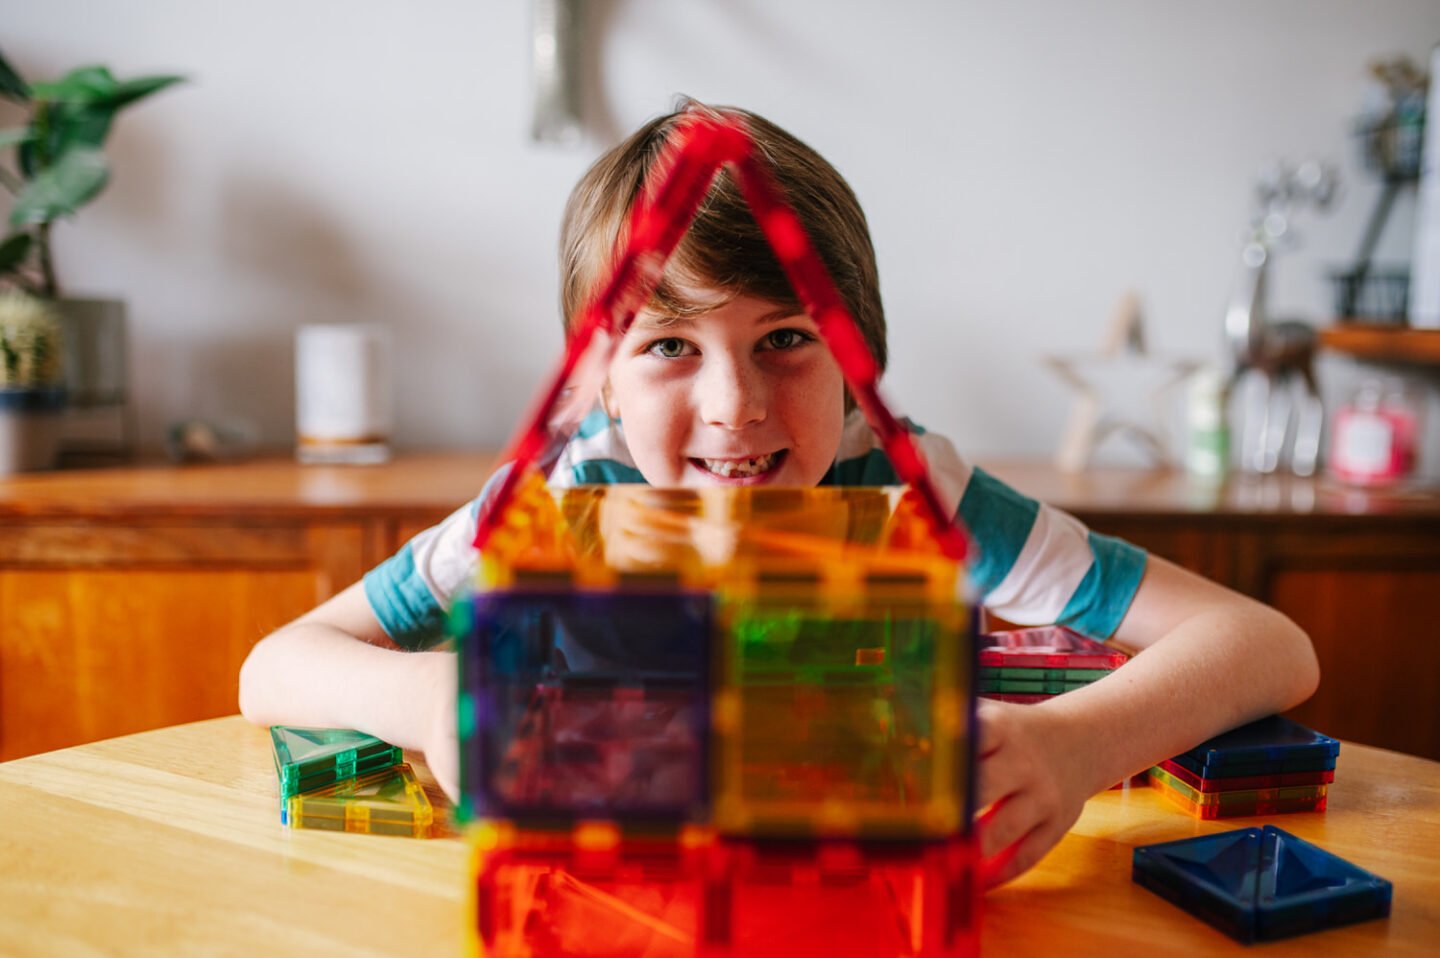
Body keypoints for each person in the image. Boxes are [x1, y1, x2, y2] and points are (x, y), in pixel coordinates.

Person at [240, 100, 1319, 887]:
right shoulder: (556, 490)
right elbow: (274, 664)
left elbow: (1268, 644)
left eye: (786, 338)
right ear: (594, 379)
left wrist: (1076, 744)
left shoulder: (914, 490)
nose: (735, 406)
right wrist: (434, 699)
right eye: (670, 344)